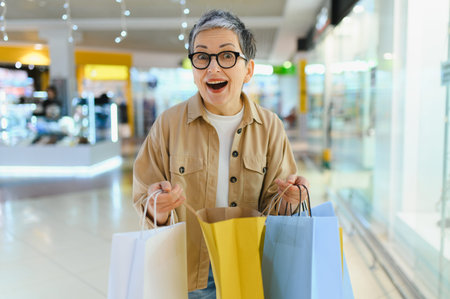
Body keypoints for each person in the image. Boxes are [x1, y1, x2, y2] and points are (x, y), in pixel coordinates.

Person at [133, 9, 309, 297]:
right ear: (193, 68)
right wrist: (158, 207)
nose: (212, 68)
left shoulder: (270, 127)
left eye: (227, 56)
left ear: (248, 69)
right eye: (202, 57)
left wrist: (290, 201)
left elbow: (277, 209)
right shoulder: (168, 123)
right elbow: (144, 194)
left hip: (249, 266)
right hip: (190, 272)